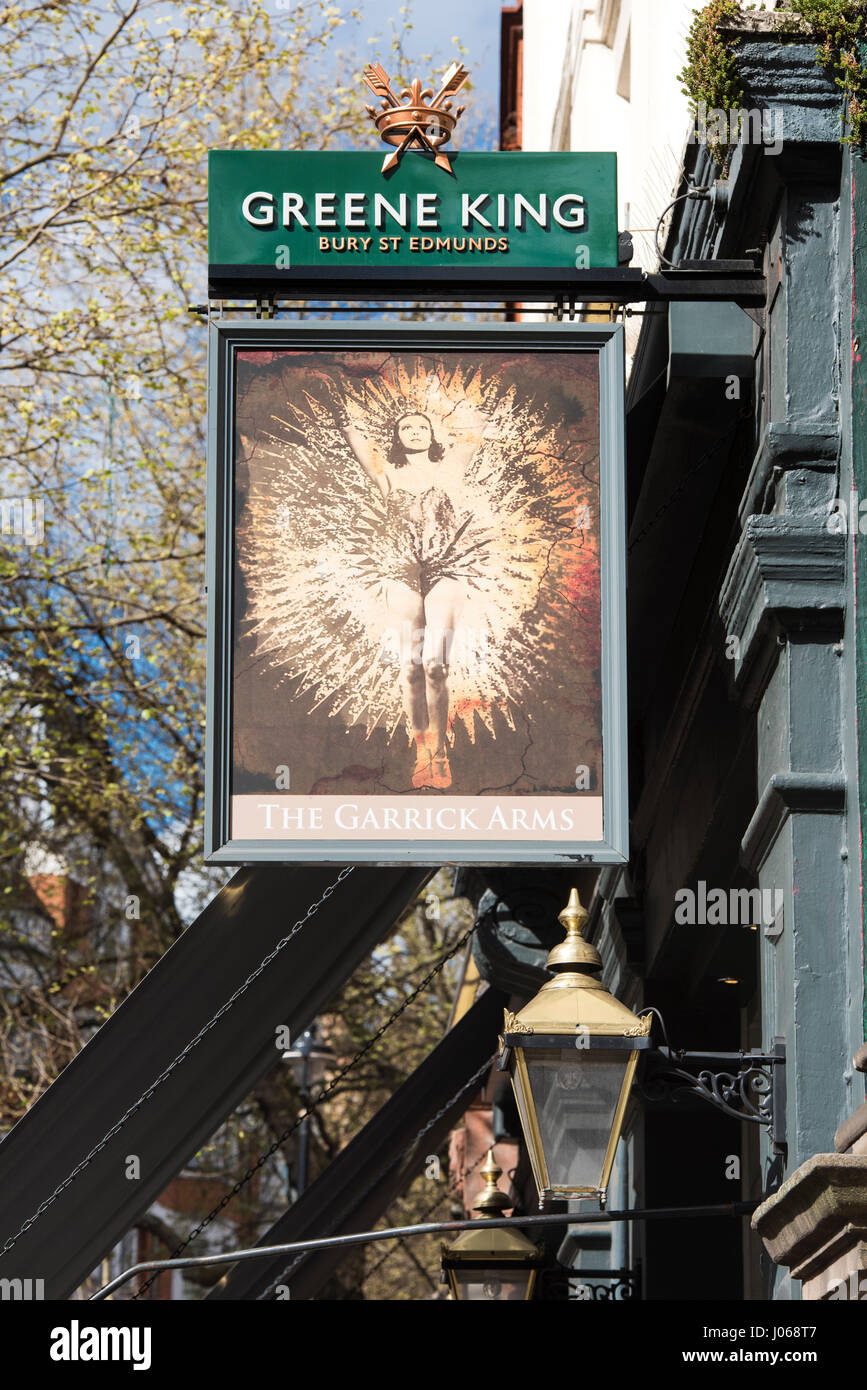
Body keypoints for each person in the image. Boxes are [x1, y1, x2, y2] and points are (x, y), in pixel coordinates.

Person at [338, 401, 490, 790]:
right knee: (410, 668)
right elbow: (356, 442)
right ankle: (422, 750)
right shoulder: (387, 475)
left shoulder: (450, 470)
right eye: (406, 428)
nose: (415, 432)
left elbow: (474, 433)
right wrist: (344, 416)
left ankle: (441, 753)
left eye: (421, 426)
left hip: (446, 566)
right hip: (400, 568)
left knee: (436, 665)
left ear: (432, 434)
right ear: (398, 438)